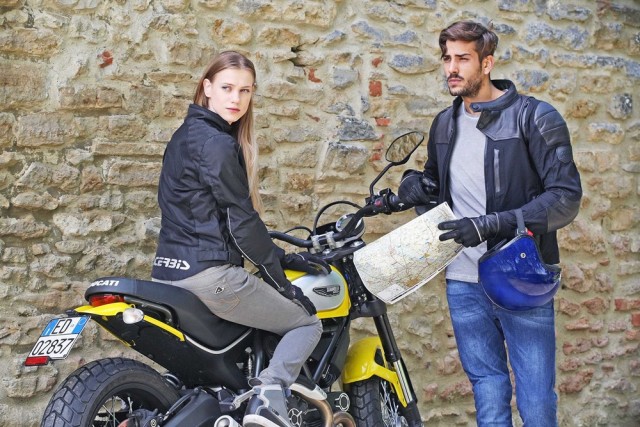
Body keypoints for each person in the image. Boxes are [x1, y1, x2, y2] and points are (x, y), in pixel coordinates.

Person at [397, 21, 582, 426]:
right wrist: (414, 184)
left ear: (487, 63)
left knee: (535, 398)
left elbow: (565, 198)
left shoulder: (535, 117)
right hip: (463, 281)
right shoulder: (444, 123)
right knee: (487, 387)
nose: (452, 68)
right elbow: (435, 182)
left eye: (463, 59)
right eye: (447, 58)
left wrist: (490, 225)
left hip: (521, 275)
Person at [150, 51, 326, 427]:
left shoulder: (183, 137)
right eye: (227, 88)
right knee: (306, 324)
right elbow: (241, 222)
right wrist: (283, 284)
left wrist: (280, 254)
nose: (236, 98)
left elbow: (208, 216)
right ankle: (268, 397)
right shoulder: (217, 143)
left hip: (167, 274)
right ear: (207, 88)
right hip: (210, 276)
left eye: (245, 91)